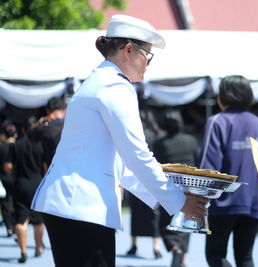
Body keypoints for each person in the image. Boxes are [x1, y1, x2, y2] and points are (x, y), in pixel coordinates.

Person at [30, 14, 207, 267]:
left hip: (74, 205)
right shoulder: (115, 87)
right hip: (81, 208)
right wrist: (179, 202)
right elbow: (137, 155)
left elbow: (122, 164)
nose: (149, 62)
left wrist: (173, 197)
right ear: (128, 50)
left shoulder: (101, 81)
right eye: (148, 54)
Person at [199, 75, 258, 267]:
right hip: (254, 201)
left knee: (215, 255)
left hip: (222, 202)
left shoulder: (217, 121)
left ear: (223, 97)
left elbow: (208, 167)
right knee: (245, 257)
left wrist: (200, 198)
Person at [153, 109, 199, 267]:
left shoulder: (160, 143)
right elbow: (197, 163)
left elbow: (155, 167)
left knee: (165, 223)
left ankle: (174, 247)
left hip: (169, 188)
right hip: (190, 188)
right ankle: (182, 257)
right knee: (186, 223)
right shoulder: (191, 141)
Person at [5, 119, 46, 263]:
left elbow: (8, 167)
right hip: (37, 183)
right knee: (38, 221)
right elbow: (46, 166)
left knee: (21, 220)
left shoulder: (16, 146)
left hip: (21, 184)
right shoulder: (40, 145)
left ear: (23, 129)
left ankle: (23, 251)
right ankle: (38, 247)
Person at [126, 109, 162, 259]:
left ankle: (134, 244)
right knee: (154, 212)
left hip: (136, 177)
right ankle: (156, 246)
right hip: (152, 178)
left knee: (135, 213)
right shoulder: (155, 135)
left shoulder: (135, 135)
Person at [28, 96, 66, 170]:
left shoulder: (44, 129)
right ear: (65, 110)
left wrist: (41, 120)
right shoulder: (74, 125)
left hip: (55, 172)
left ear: (48, 111)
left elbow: (30, 135)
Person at [0, 120, 17, 237]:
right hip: (17, 178)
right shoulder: (19, 146)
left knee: (5, 203)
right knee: (16, 202)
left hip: (3, 177)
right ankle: (17, 224)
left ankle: (9, 227)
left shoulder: (1, 147)